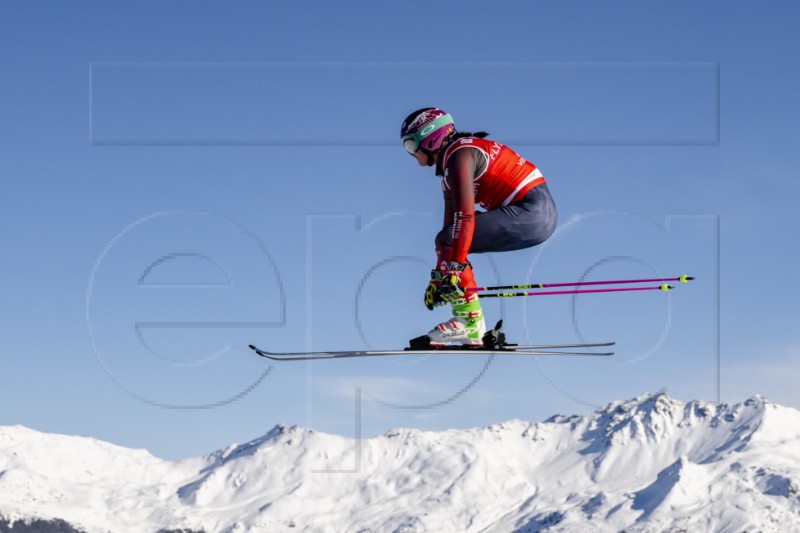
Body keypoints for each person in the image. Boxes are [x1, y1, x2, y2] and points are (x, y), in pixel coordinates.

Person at [400, 107, 558, 346]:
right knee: (448, 240)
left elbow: (464, 217)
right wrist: (439, 275)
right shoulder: (452, 167)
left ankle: (470, 323)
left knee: (450, 242)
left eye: (410, 145)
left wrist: (453, 269)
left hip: (532, 211)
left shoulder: (460, 155)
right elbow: (450, 230)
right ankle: (468, 320)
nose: (410, 154)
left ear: (430, 137)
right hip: (535, 213)